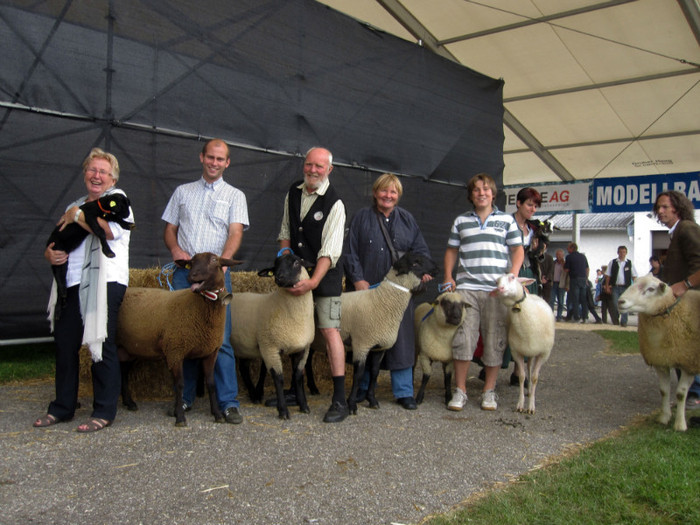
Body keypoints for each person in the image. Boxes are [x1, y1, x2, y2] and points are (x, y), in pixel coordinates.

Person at [34, 148, 133, 432]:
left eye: (103, 172)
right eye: (92, 170)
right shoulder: (74, 205)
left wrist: (78, 215)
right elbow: (56, 240)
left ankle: (104, 410)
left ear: (113, 178)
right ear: (84, 174)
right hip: (71, 284)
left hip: (104, 284)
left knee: (100, 345)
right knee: (65, 346)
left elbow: (110, 231)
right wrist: (49, 255)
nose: (97, 176)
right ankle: (62, 408)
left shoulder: (117, 200)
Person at [162, 139, 249, 424]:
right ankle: (184, 400)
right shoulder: (182, 192)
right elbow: (170, 229)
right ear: (201, 157)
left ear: (227, 163)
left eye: (220, 159)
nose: (214, 162)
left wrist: (223, 263)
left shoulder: (235, 195)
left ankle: (228, 402)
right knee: (182, 337)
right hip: (185, 273)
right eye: (210, 157)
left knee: (220, 338)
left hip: (216, 275)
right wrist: (176, 251)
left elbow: (235, 232)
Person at [344, 173, 433, 410]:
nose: (388, 195)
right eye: (384, 191)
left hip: (398, 296)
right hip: (368, 291)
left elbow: (421, 251)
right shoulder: (361, 217)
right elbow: (350, 251)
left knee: (402, 340)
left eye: (393, 192)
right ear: (375, 193)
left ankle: (403, 392)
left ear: (398, 196)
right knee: (364, 339)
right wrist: (358, 279)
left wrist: (423, 271)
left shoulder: (407, 220)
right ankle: (362, 389)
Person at [278, 147, 348, 423]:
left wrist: (314, 281)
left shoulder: (335, 203)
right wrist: (284, 263)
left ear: (329, 169)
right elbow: (285, 233)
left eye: (320, 166)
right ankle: (296, 391)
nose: (313, 170)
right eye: (309, 165)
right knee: (293, 328)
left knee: (330, 331)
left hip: (324, 276)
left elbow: (329, 252)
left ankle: (340, 400)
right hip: (297, 275)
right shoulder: (293, 192)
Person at [443, 173, 523, 412]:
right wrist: (448, 276)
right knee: (463, 338)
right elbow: (451, 251)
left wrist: (512, 276)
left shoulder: (507, 221)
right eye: (477, 190)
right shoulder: (461, 221)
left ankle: (489, 391)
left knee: (494, 340)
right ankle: (460, 391)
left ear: (493, 193)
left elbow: (517, 250)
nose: (481, 193)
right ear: (471, 195)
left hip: (495, 291)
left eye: (486, 189)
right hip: (466, 289)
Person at [652, 191, 700, 421]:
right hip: (683, 301)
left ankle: (695, 392)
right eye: (658, 208)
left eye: (664, 207)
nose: (660, 212)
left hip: (692, 301)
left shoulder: (687, 229)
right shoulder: (676, 232)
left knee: (689, 349)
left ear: (677, 208)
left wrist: (686, 284)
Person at [603, 246, 637, 327]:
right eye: (620, 252)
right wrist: (607, 286)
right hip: (615, 287)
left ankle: (624, 322)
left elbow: (634, 276)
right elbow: (608, 275)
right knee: (615, 305)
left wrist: (635, 287)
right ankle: (616, 319)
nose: (622, 254)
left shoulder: (629, 263)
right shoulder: (613, 262)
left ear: (626, 253)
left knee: (625, 304)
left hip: (626, 287)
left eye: (624, 252)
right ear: (618, 253)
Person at [563, 242, 589, 323]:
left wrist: (563, 264)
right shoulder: (583, 256)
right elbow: (587, 268)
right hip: (583, 279)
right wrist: (586, 278)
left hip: (574, 279)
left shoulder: (569, 257)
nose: (567, 249)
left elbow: (566, 269)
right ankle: (585, 317)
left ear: (571, 248)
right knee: (583, 299)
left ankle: (576, 317)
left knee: (575, 299)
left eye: (568, 247)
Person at [551, 249, 566, 320]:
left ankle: (559, 316)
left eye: (560, 255)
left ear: (563, 255)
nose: (558, 256)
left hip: (561, 284)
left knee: (561, 301)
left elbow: (567, 275)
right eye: (557, 255)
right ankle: (550, 315)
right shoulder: (553, 263)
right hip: (553, 283)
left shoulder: (565, 264)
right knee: (552, 300)